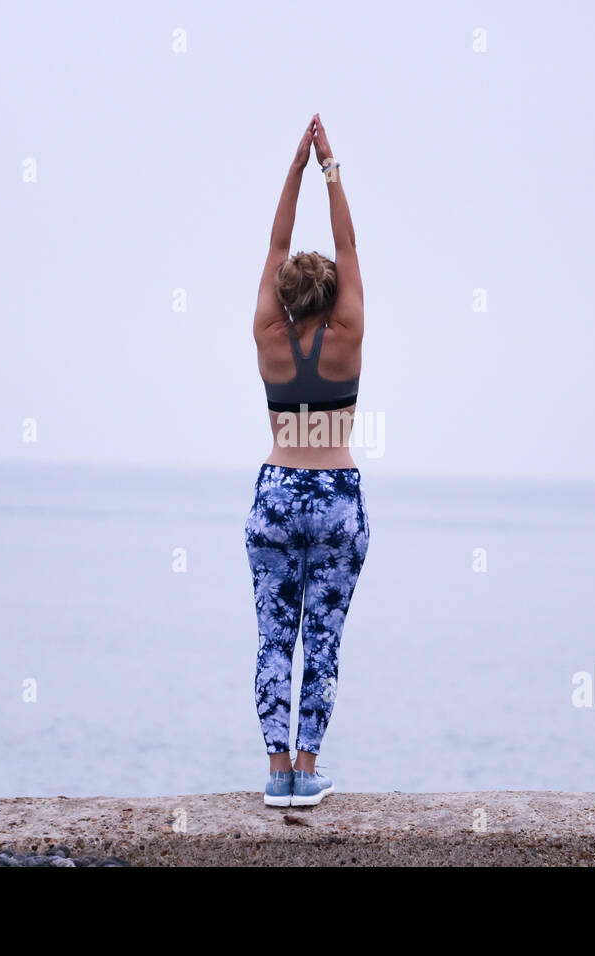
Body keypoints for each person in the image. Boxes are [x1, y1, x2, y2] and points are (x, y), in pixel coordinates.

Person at [245, 114, 368, 808]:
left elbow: (276, 243)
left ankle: (275, 772)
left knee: (273, 637)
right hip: (336, 497)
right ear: (331, 297)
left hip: (277, 493)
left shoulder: (268, 335)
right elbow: (346, 245)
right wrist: (330, 168)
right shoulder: (348, 334)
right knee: (321, 637)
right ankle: (307, 772)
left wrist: (292, 168)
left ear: (287, 299)